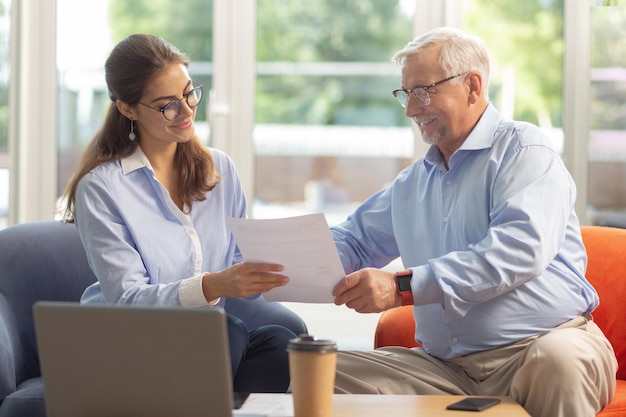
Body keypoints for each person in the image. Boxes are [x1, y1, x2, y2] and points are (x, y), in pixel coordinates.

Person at [330, 27, 617, 417]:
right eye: (406, 95)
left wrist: (401, 287)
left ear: (472, 85)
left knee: (556, 363)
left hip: (545, 344)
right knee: (323, 374)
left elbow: (515, 253)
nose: (413, 110)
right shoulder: (412, 184)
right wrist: (276, 259)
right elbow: (352, 242)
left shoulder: (525, 150)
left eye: (423, 91)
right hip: (446, 368)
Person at [61, 33, 307, 393]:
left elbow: (240, 262)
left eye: (189, 94)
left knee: (281, 342)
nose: (187, 111)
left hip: (207, 346)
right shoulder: (101, 188)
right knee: (227, 332)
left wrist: (286, 269)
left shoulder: (219, 169)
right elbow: (128, 300)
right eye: (167, 105)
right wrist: (212, 286)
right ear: (128, 109)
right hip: (128, 343)